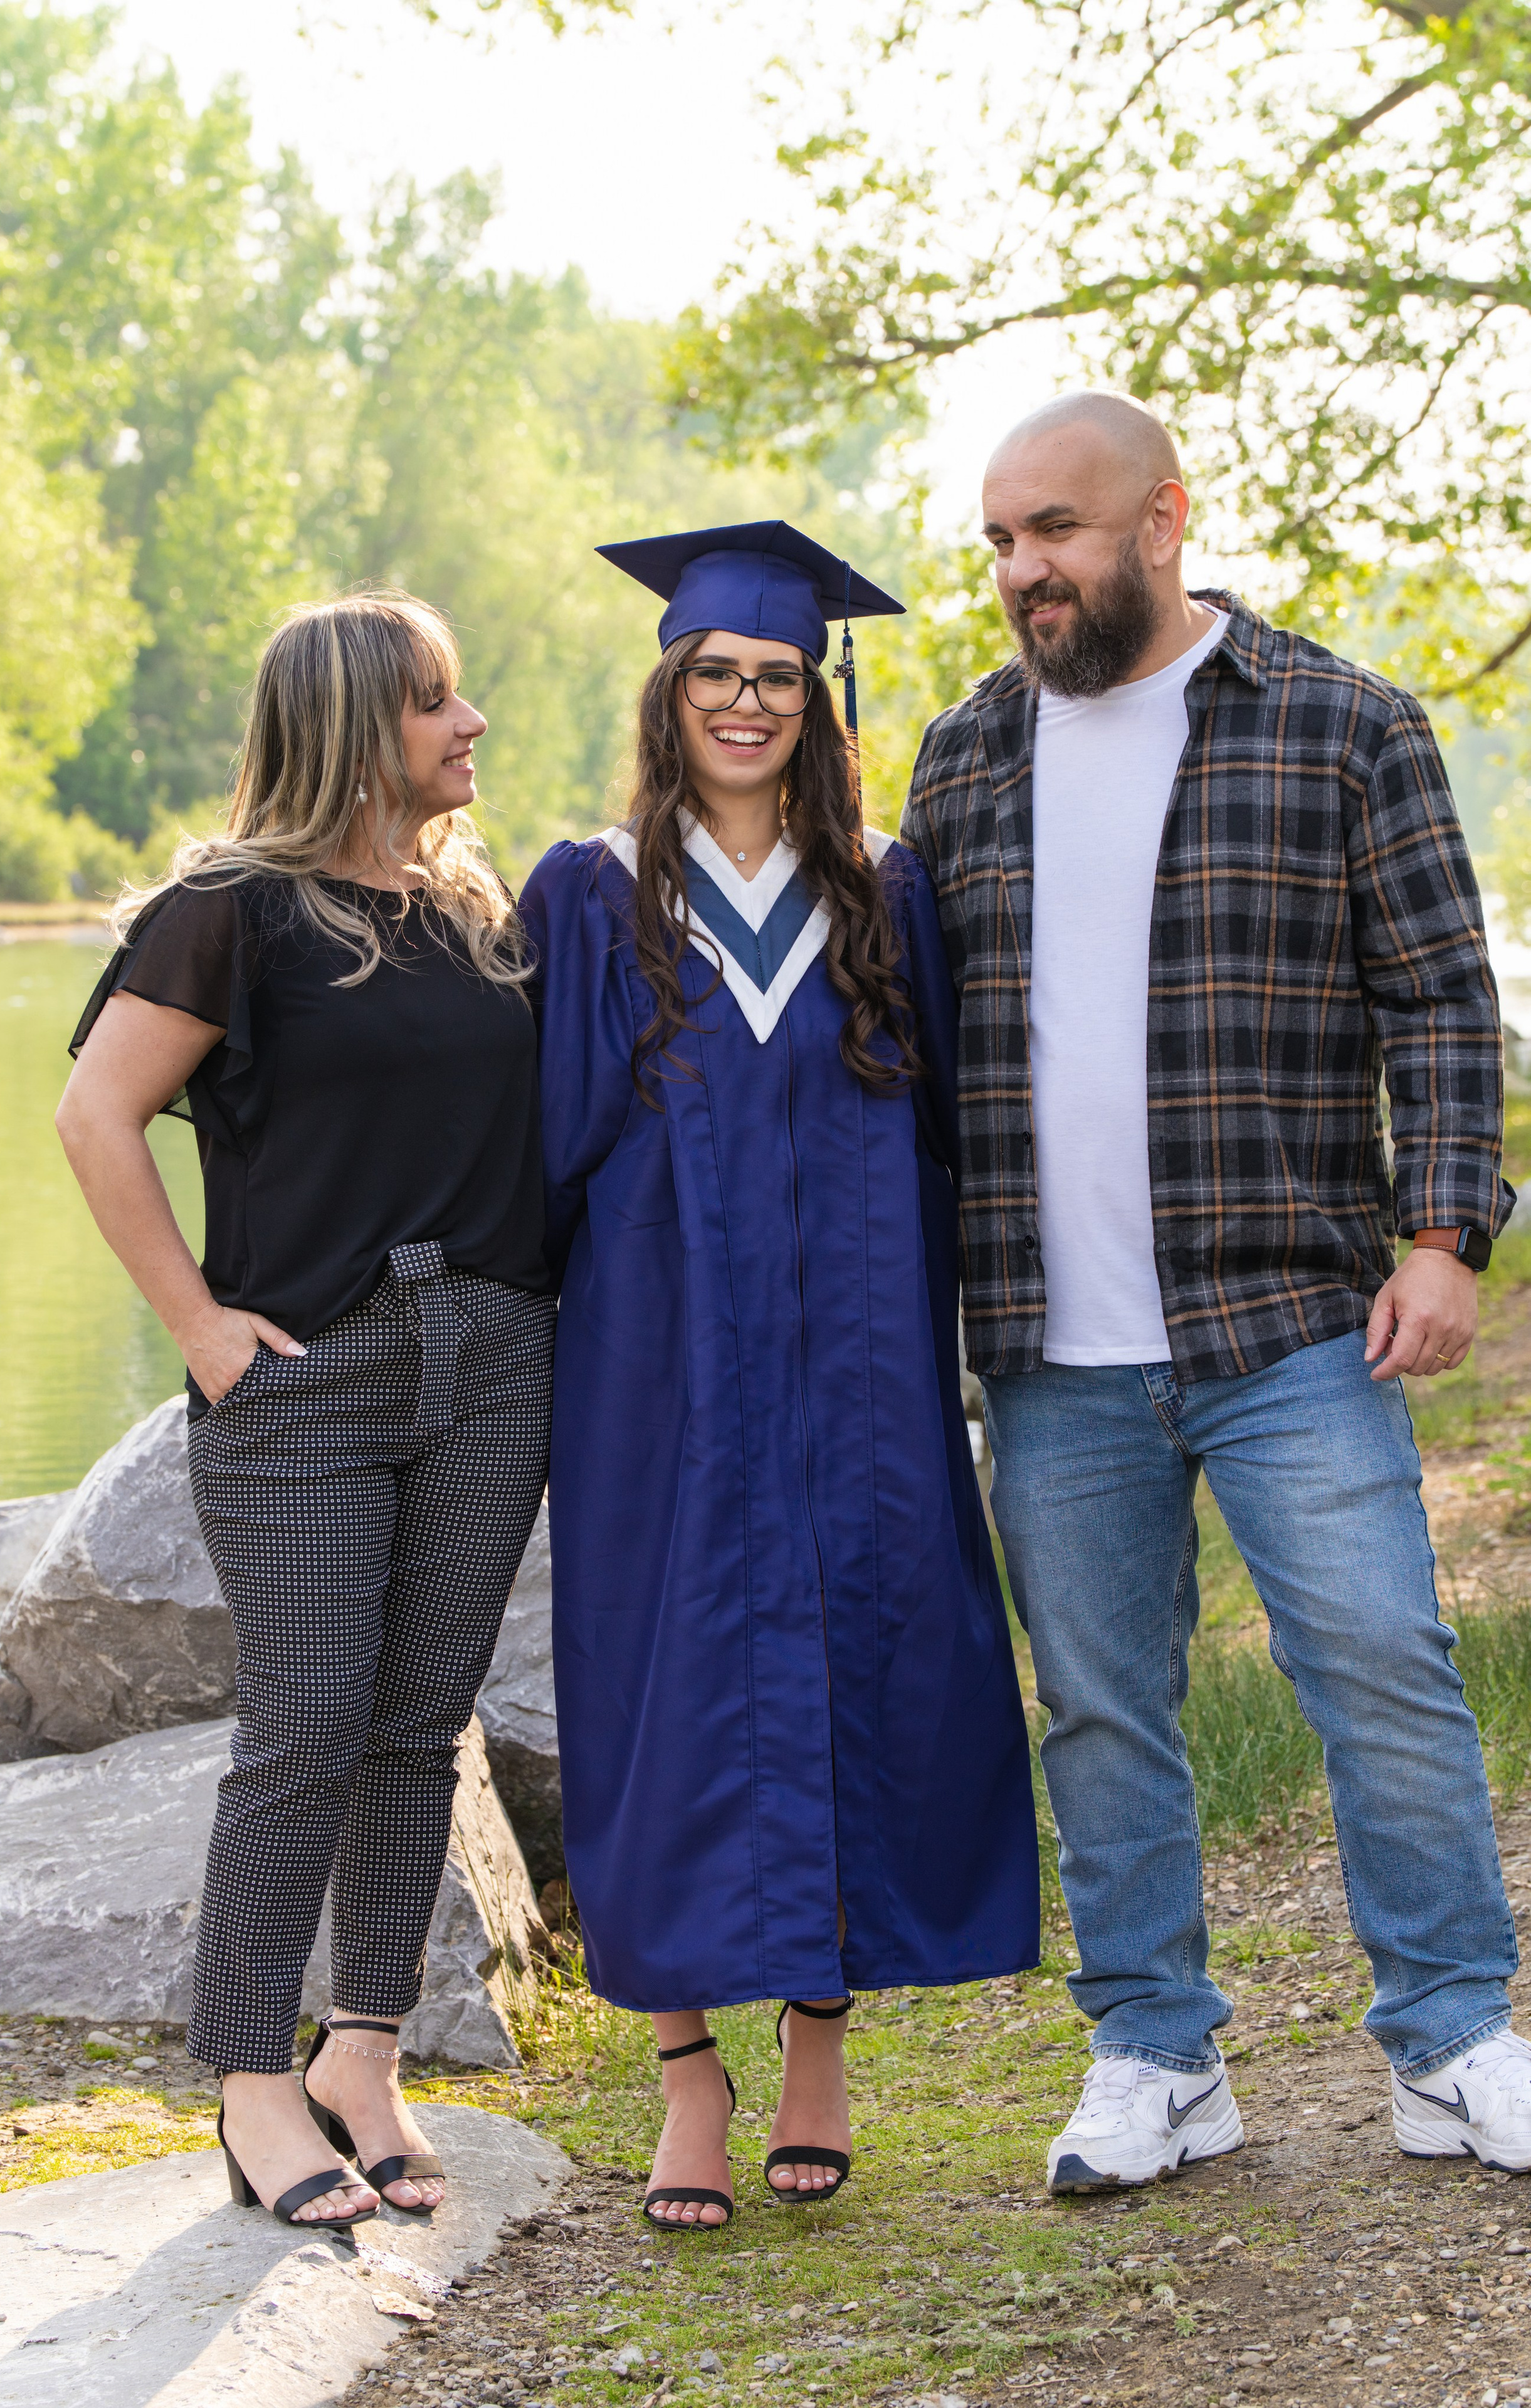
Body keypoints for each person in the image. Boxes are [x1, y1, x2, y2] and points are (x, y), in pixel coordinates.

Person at [902, 390, 1528, 2194]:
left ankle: (1454, 2040)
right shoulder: (963, 757)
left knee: (1387, 1672)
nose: (1026, 570)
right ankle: (1156, 2056)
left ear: (1165, 520)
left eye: (1060, 532)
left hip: (1290, 1328)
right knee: (1102, 1710)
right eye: (1005, 539)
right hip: (1046, 1345)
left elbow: (1440, 1003)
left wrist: (1443, 1237)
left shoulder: (1343, 727)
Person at [519, 520, 1039, 2232]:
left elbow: (960, 1135)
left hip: (861, 1373)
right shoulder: (590, 892)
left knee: (867, 1666)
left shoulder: (885, 895)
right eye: (718, 676)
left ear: (817, 703)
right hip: (653, 1379)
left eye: (779, 678)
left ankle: (818, 2049)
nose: (748, 702)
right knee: (648, 1690)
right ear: (671, 693)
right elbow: (537, 1151)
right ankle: (688, 2070)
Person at [56, 591, 556, 2229]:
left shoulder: (474, 908)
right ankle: (253, 2091)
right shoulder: (231, 911)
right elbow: (96, 1117)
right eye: (439, 705)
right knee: (306, 1730)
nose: (471, 728)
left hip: (493, 1361)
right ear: (354, 726)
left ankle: (363, 2061)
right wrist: (199, 1329)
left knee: (421, 1728)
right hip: (309, 1383)